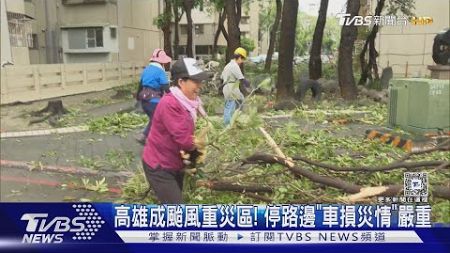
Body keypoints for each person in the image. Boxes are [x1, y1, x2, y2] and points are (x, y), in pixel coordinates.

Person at [141, 57, 208, 204]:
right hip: (159, 166)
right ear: (181, 82)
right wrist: (197, 151)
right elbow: (184, 139)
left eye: (200, 81)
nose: (199, 86)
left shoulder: (189, 103)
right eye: (195, 81)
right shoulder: (170, 104)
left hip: (174, 163)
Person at [136, 48, 172, 144]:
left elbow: (140, 85)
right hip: (154, 101)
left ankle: (150, 137)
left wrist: (137, 97)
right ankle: (144, 136)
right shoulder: (160, 71)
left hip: (144, 100)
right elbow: (165, 87)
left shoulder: (146, 69)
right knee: (157, 120)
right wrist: (172, 96)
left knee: (154, 120)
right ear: (162, 62)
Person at [221, 47, 251, 125]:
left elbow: (221, 77)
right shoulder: (234, 66)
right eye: (243, 59)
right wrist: (249, 84)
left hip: (227, 87)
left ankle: (236, 119)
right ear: (240, 57)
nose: (242, 61)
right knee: (230, 106)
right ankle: (227, 124)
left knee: (240, 100)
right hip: (231, 88)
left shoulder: (228, 65)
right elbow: (242, 79)